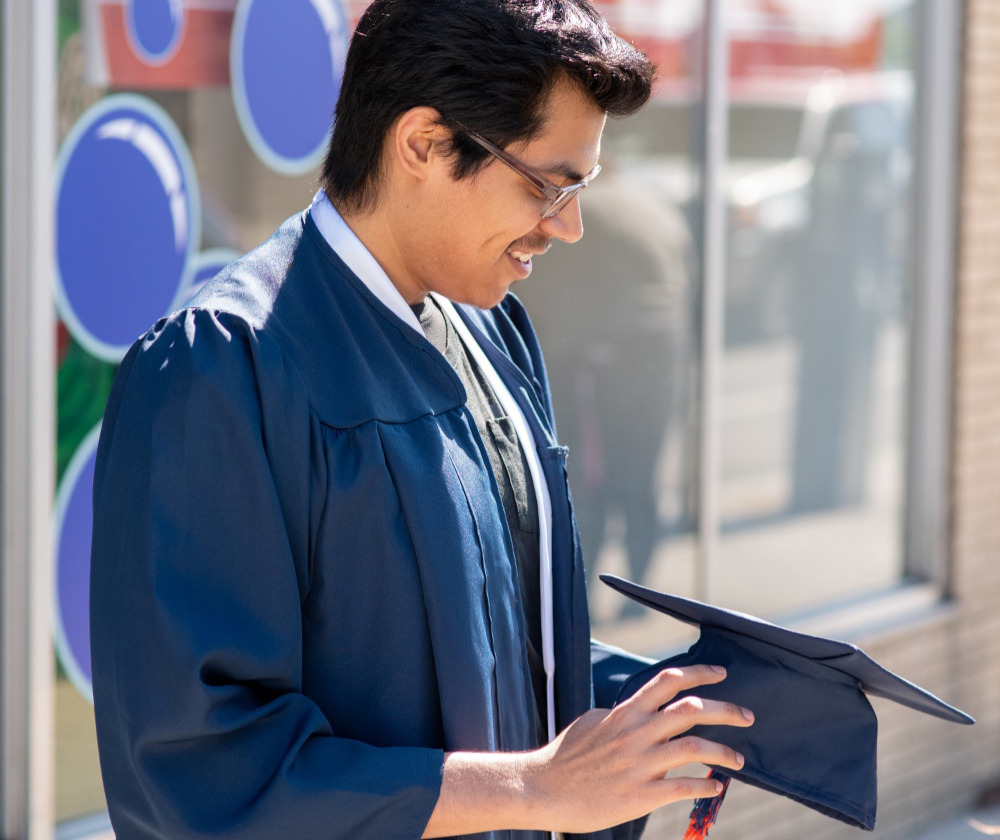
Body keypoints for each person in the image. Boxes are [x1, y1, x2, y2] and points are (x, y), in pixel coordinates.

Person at [89, 1, 753, 838]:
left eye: (580, 188)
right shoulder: (225, 366)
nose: (570, 226)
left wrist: (679, 707)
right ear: (424, 144)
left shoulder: (489, 337)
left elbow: (497, 650)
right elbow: (198, 761)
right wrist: (533, 790)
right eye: (548, 185)